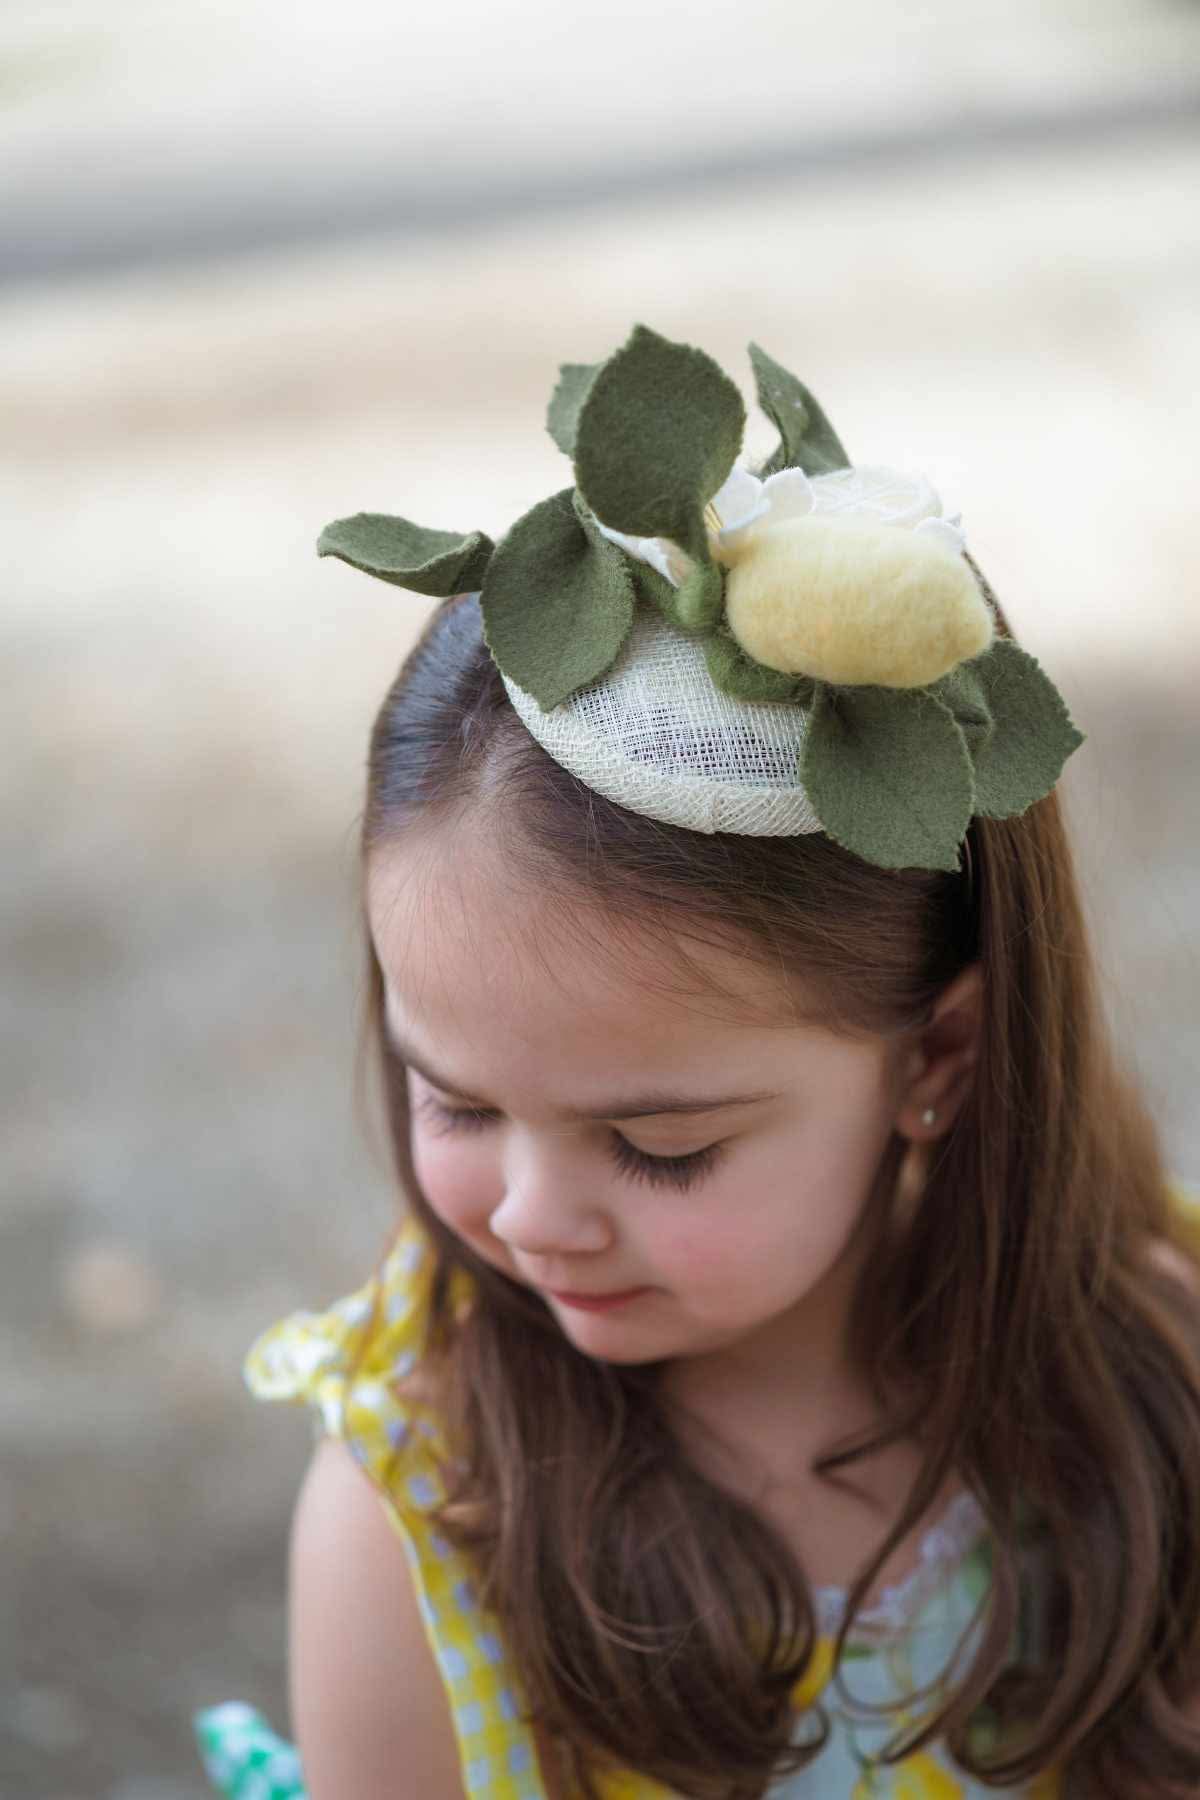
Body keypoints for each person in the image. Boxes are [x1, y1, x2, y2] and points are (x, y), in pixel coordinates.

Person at [195, 326, 1200, 1799]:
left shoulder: (1150, 1401)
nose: (533, 1215)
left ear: (941, 1050)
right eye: (455, 1101)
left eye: (661, 1145)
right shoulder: (422, 1508)